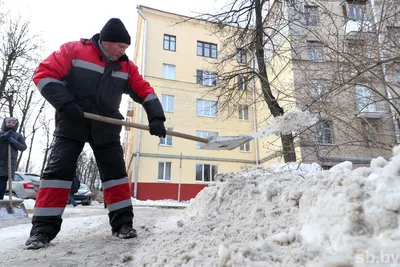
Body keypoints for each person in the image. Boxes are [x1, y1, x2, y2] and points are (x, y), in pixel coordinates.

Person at [25, 18, 166, 250]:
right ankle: (42, 231)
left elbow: (143, 90)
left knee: (116, 175)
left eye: (126, 48)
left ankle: (123, 225)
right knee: (58, 172)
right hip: (72, 121)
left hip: (106, 125)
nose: (123, 51)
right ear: (107, 41)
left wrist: (156, 117)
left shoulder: (125, 66)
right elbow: (44, 74)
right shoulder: (74, 51)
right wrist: (66, 103)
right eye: (121, 46)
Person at [0, 117, 27, 199]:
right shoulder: (0, 133)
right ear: (5, 123)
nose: (10, 124)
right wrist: (4, 137)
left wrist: (13, 141)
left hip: (8, 163)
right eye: (9, 122)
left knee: (2, 182)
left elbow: (23, 147)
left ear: (15, 124)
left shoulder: (18, 135)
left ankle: (0, 199)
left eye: (12, 122)